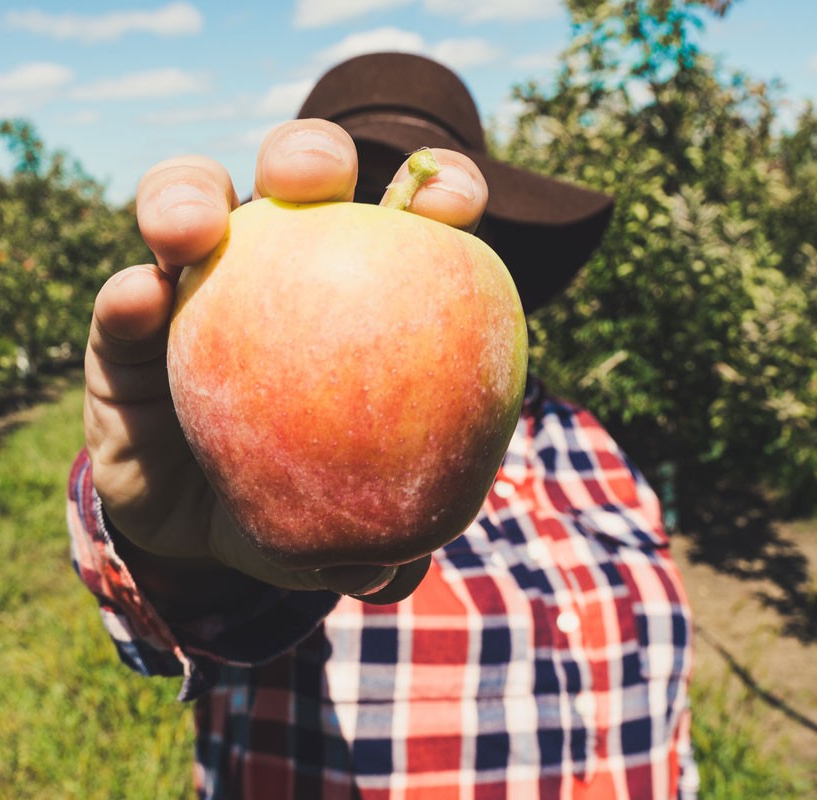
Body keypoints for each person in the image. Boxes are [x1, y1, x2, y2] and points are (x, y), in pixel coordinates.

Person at [69, 52, 697, 799]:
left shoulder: (590, 447)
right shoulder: (256, 475)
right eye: (357, 198)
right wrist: (180, 549)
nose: (380, 221)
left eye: (392, 198)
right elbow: (211, 617)